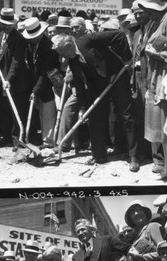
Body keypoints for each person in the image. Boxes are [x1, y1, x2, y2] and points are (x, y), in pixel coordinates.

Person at [52, 31, 139, 172]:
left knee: (126, 115)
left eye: (62, 52)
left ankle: (133, 156)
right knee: (95, 117)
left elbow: (119, 36)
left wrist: (127, 59)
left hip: (117, 76)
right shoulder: (72, 60)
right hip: (98, 86)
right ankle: (100, 156)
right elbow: (80, 85)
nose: (61, 57)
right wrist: (83, 108)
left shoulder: (88, 40)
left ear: (69, 45)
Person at [0, 8, 30, 149]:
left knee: (17, 110)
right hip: (3, 78)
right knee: (5, 110)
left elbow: (17, 61)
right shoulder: (2, 34)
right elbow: (1, 54)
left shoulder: (19, 39)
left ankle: (18, 139)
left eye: (10, 24)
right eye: (5, 24)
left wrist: (9, 79)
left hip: (15, 81)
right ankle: (6, 136)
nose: (8, 26)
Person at [23, 17, 60, 148]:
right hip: (38, 84)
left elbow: (45, 73)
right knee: (41, 113)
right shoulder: (33, 45)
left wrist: (35, 91)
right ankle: (45, 139)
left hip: (49, 85)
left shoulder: (48, 48)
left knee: (48, 113)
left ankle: (49, 142)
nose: (32, 39)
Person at [141, 0, 167, 179]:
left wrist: (156, 53)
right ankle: (162, 162)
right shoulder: (154, 23)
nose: (149, 15)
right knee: (160, 126)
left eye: (150, 11)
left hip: (163, 78)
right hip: (155, 77)